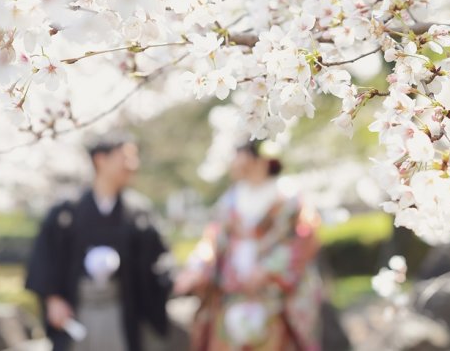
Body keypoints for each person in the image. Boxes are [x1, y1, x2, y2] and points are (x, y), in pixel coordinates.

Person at [25, 134, 171, 351]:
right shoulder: (65, 213)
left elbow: (159, 261)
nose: (134, 165)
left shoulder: (139, 212)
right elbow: (46, 257)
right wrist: (53, 299)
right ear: (101, 160)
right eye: (126, 157)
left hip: (123, 310)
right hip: (78, 308)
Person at [175, 142, 323, 351]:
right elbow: (213, 239)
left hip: (275, 298)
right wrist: (197, 268)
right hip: (234, 294)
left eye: (239, 155)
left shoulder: (288, 196)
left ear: (259, 159)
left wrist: (268, 270)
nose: (234, 162)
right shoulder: (229, 200)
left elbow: (303, 238)